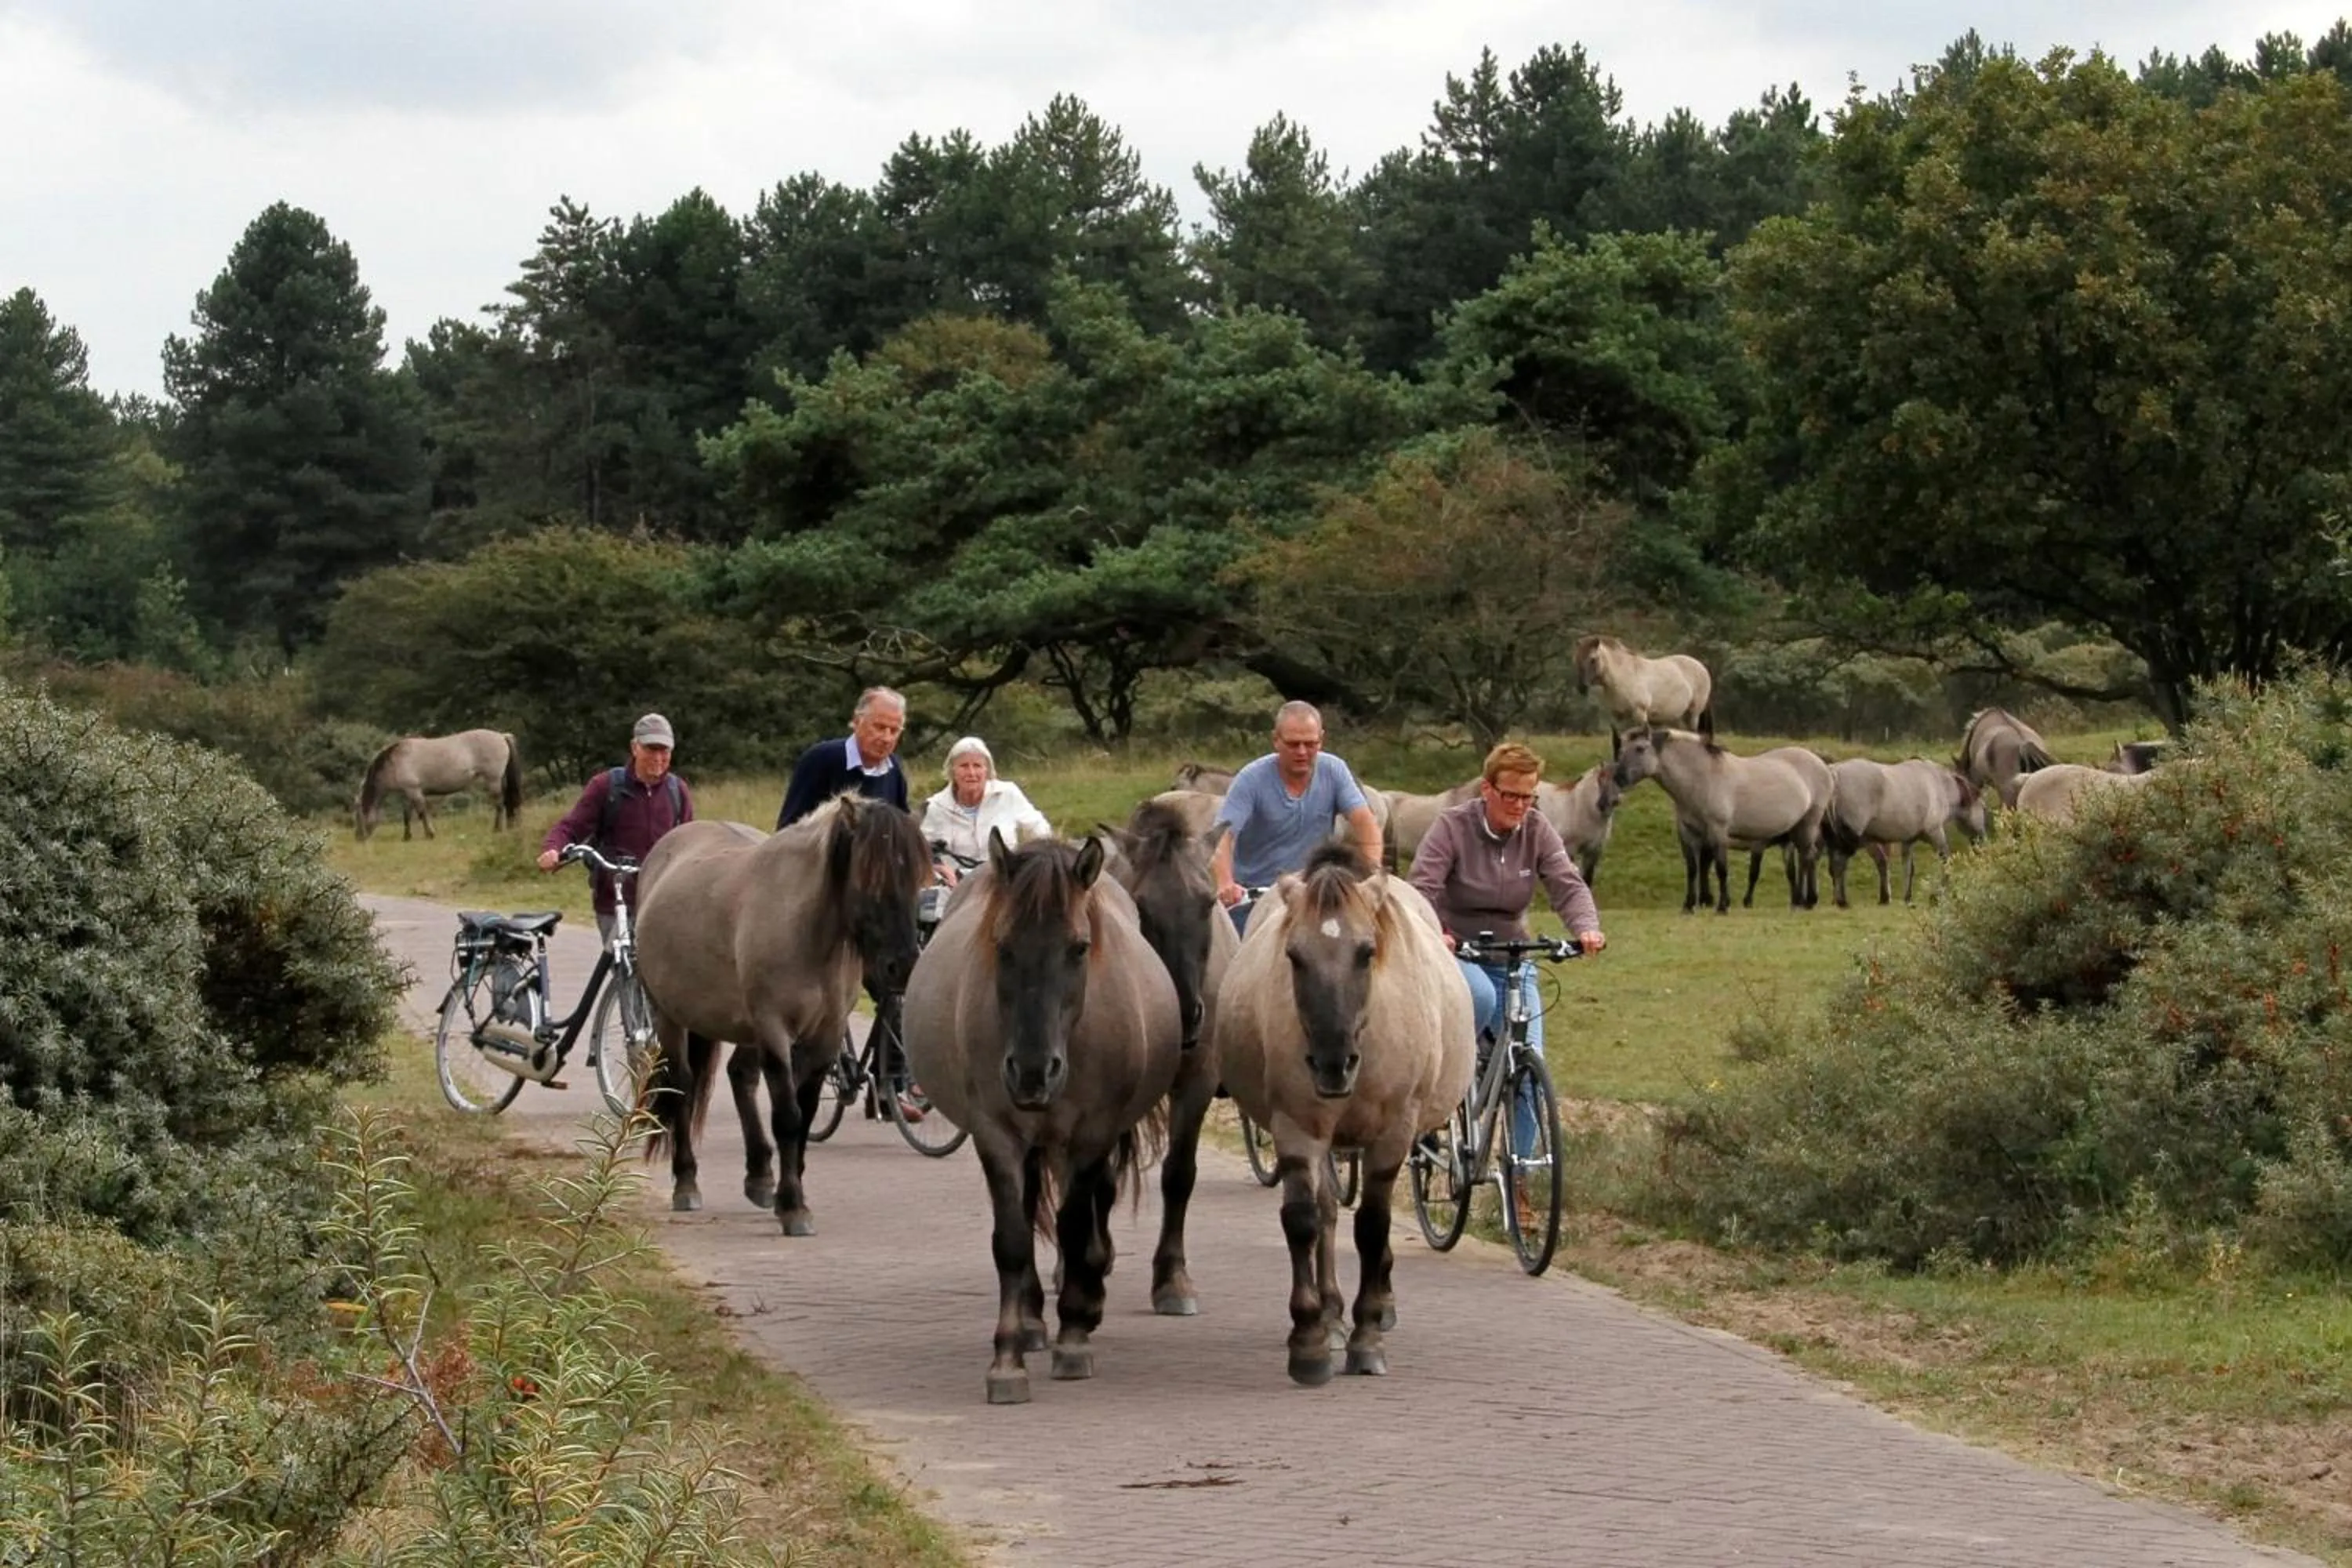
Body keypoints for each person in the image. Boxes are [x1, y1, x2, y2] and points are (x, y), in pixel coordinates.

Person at [1409, 741, 1606, 1173]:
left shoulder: (1537, 830)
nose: (1520, 806)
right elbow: (1422, 886)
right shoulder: (1452, 827)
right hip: (1458, 951)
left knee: (1531, 1068)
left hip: (1512, 955)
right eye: (1511, 795)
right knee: (1478, 997)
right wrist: (1437, 933)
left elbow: (1566, 883)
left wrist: (1586, 928)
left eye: (1528, 797)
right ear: (1487, 790)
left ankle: (1520, 1181)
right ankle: (1445, 1094)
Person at [1210, 700, 1384, 932]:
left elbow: (1366, 823)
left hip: (1314, 892)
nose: (1302, 752)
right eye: (1293, 744)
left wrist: (1369, 874)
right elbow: (1223, 835)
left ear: (1321, 740)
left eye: (1310, 744)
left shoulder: (1335, 770)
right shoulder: (1251, 779)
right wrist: (1225, 883)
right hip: (1257, 895)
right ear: (1276, 740)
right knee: (1237, 954)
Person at [539, 712, 695, 949]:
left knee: (659, 978)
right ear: (635, 747)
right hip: (615, 899)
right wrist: (553, 850)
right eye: (651, 749)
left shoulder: (677, 791)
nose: (658, 757)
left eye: (664, 751)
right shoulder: (606, 786)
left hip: (660, 901)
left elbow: (690, 841)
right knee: (623, 969)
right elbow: (571, 827)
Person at [920, 735, 1054, 885]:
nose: (971, 773)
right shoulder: (936, 806)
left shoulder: (1008, 793)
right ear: (953, 771)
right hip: (956, 886)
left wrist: (1031, 860)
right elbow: (923, 849)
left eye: (977, 766)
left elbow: (1039, 828)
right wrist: (938, 867)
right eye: (964, 766)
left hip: (1003, 880)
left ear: (987, 770)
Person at [777, 687, 910, 828]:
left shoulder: (894, 768)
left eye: (894, 731)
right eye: (879, 727)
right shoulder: (822, 759)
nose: (887, 738)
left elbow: (901, 827)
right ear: (857, 722)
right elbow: (789, 827)